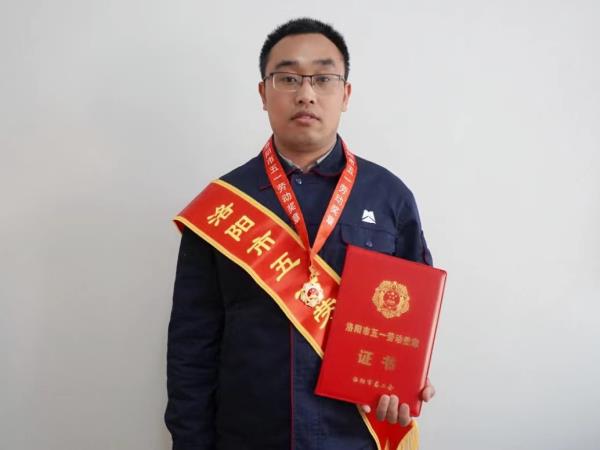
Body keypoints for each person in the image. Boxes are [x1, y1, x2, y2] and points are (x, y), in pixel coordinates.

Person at [165, 17, 436, 450]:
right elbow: (191, 342)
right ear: (263, 93)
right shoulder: (222, 204)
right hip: (247, 437)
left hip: (354, 437)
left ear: (345, 94)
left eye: (323, 78)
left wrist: (407, 383)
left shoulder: (390, 197)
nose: (306, 93)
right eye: (288, 78)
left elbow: (412, 324)